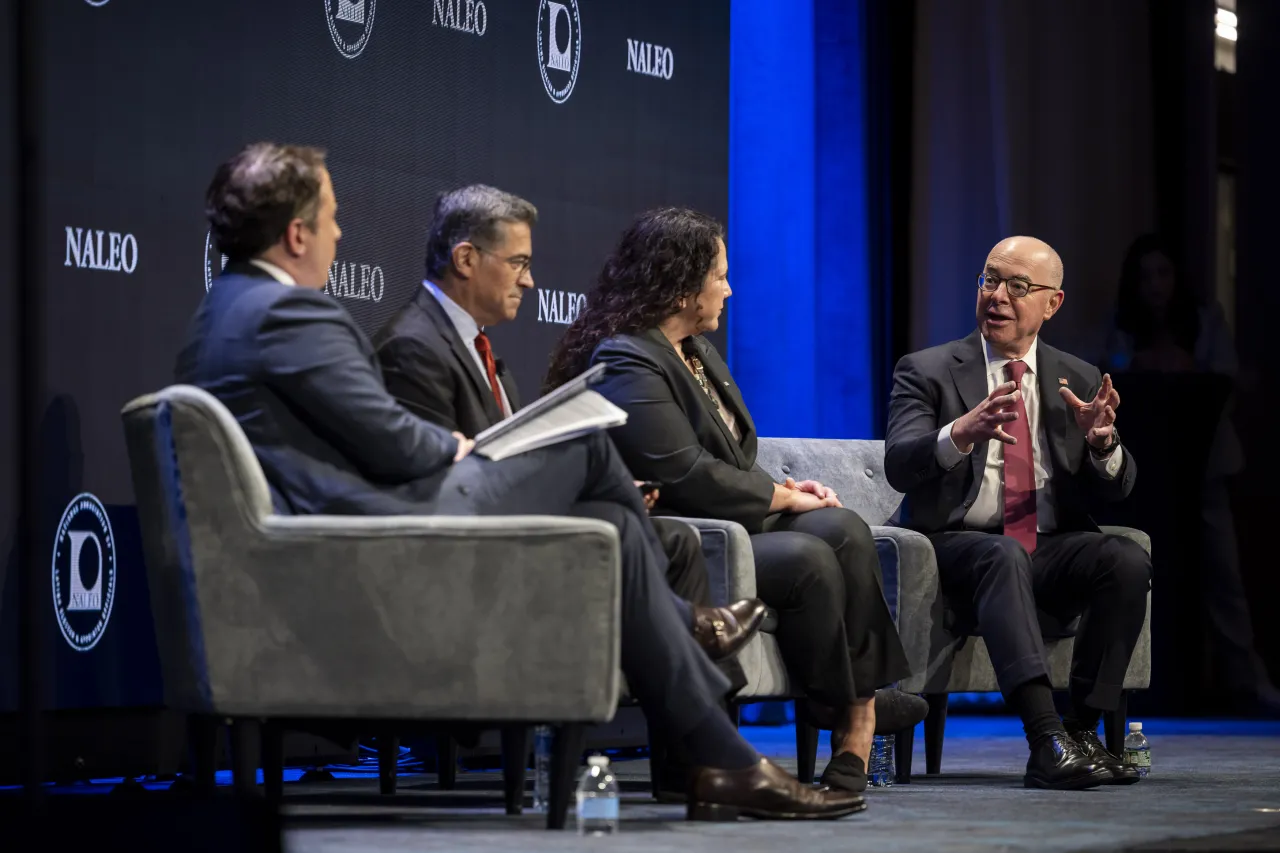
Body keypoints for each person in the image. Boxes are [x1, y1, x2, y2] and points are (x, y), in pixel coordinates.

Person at [175, 142, 863, 820]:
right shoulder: (290, 313)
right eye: (331, 217)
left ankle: (719, 760)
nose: (339, 231)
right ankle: (699, 662)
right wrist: (458, 443)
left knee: (618, 523)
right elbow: (390, 441)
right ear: (296, 233)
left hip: (347, 529)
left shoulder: (224, 313)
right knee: (587, 445)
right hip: (386, 531)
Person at [543, 208, 925, 795]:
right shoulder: (626, 358)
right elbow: (682, 472)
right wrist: (780, 497)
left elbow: (735, 457)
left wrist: (793, 492)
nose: (729, 288)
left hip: (733, 520)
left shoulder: (696, 353)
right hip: (689, 532)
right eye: (719, 275)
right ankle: (851, 709)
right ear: (680, 284)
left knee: (843, 526)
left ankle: (858, 709)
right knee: (808, 557)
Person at [372, 185, 766, 664]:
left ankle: (695, 724)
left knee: (671, 537)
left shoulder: (474, 345)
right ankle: (697, 697)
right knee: (614, 499)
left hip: (507, 521)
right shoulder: (413, 347)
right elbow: (440, 485)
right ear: (466, 259)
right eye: (518, 263)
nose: (530, 281)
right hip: (466, 547)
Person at [885, 235, 1151, 789]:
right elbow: (900, 464)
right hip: (955, 548)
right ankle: (1044, 736)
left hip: (1047, 548)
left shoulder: (1075, 377)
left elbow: (1119, 488)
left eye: (1018, 286)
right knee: (1001, 552)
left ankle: (1079, 730)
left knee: (1124, 558)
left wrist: (1103, 443)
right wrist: (960, 432)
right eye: (989, 280)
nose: (998, 296)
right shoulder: (927, 370)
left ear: (1052, 303)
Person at [1103, 234, 1278, 714]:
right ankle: (1144, 683)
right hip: (1147, 472)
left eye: (1164, 273)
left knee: (1224, 575)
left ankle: (1249, 680)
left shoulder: (1204, 320)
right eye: (1146, 275)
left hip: (1205, 465)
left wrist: (1188, 366)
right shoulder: (1121, 325)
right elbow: (1102, 370)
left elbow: (1230, 376)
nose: (1155, 286)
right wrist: (1137, 364)